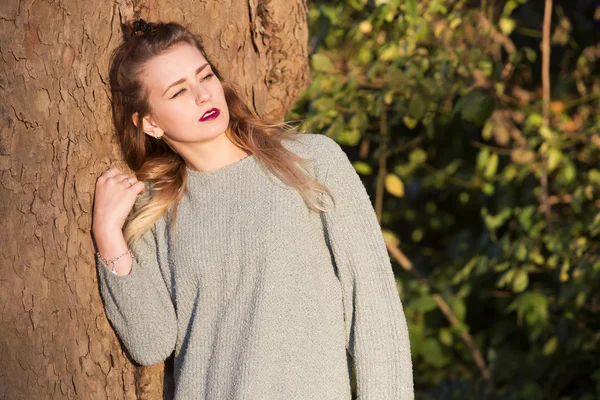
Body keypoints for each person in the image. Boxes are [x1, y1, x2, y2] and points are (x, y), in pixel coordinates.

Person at [92, 19, 413, 399]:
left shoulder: (311, 161)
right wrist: (109, 235)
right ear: (150, 123)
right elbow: (151, 343)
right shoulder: (154, 206)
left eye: (204, 76)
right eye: (178, 92)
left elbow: (375, 309)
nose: (202, 95)